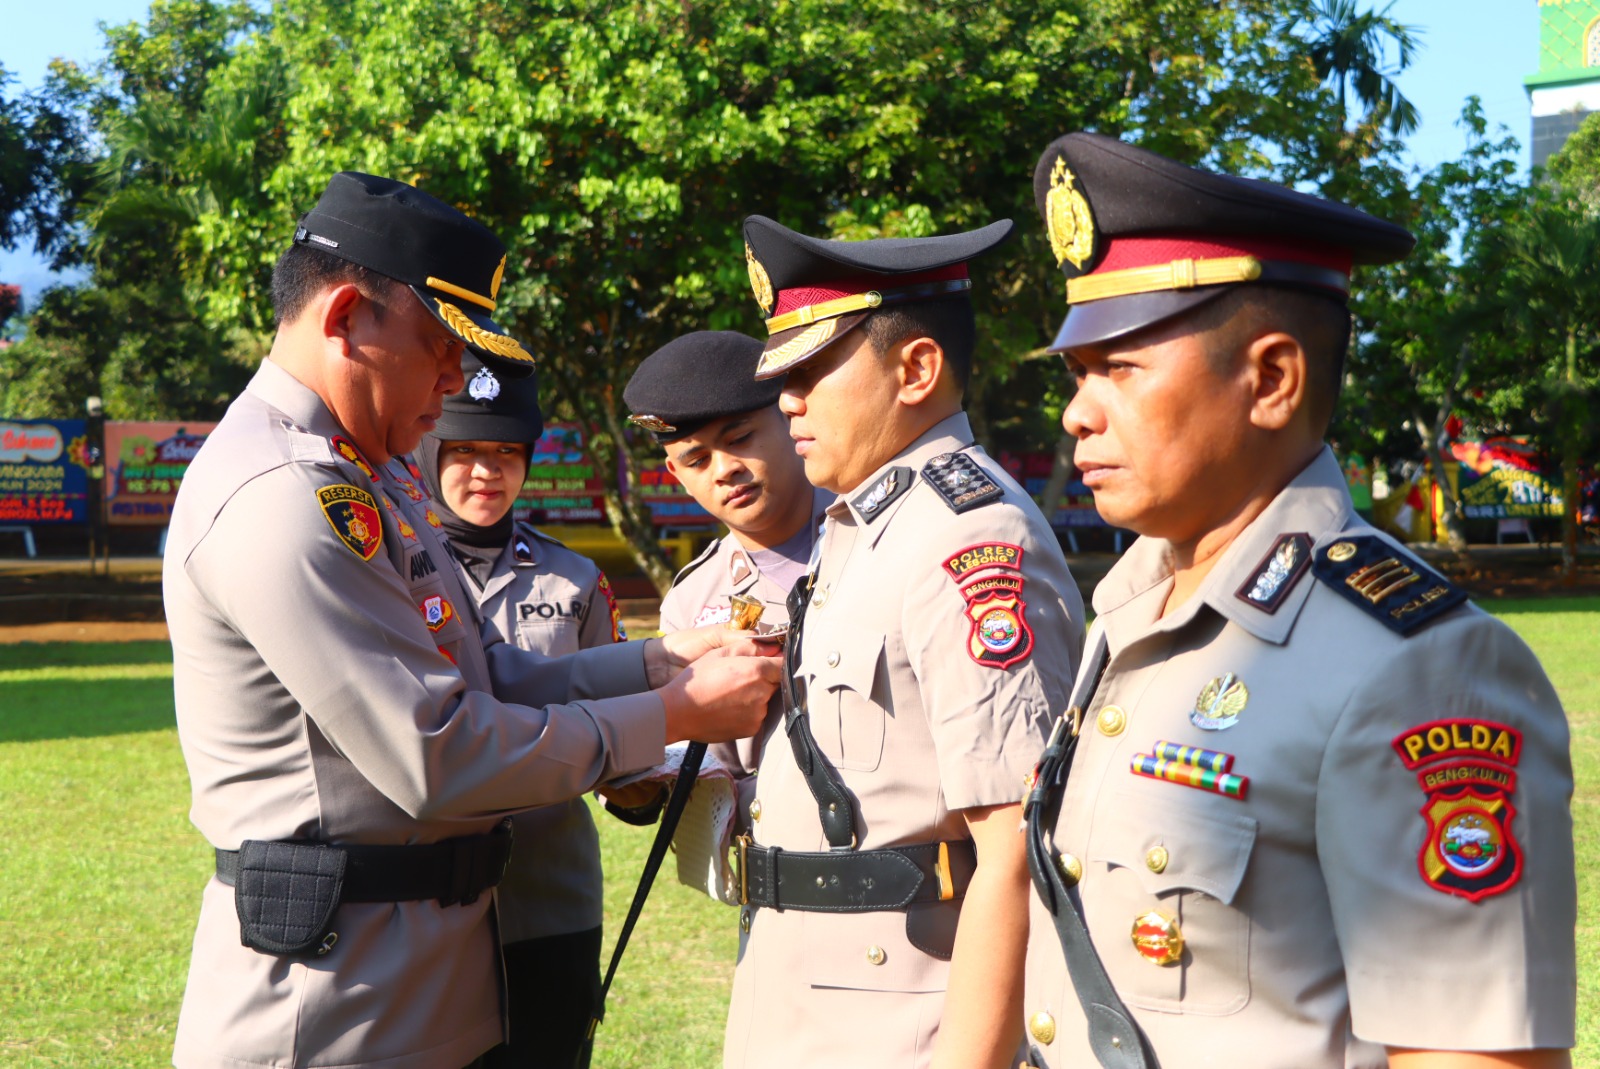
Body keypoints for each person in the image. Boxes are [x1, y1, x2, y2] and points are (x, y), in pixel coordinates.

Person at [163, 171, 780, 1069]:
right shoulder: (283, 494)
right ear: (344, 319)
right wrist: (677, 715)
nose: (459, 376)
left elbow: (481, 675)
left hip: (421, 977)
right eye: (439, 344)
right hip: (332, 1007)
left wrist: (653, 663)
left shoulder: (372, 470)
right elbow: (436, 752)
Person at [1019, 133, 1576, 1069]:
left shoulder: (1414, 664)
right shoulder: (1132, 609)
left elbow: (1472, 1053)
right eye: (1078, 374)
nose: (1077, 412)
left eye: (1120, 367)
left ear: (1271, 380)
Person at [721, 215, 1086, 1069]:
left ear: (917, 368)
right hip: (804, 1000)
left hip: (902, 1027)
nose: (786, 400)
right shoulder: (863, 524)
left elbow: (1014, 849)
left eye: (811, 371)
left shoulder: (968, 540)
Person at [417, 351, 624, 1069]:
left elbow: (619, 712)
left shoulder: (575, 578)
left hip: (550, 895)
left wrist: (639, 783)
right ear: (428, 450)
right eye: (466, 449)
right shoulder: (387, 569)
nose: (487, 470)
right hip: (422, 902)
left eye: (507, 451)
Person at [622, 329, 831, 818]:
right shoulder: (692, 602)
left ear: (788, 419)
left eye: (739, 439)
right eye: (696, 460)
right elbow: (712, 764)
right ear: (675, 475)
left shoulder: (877, 535)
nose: (724, 469)